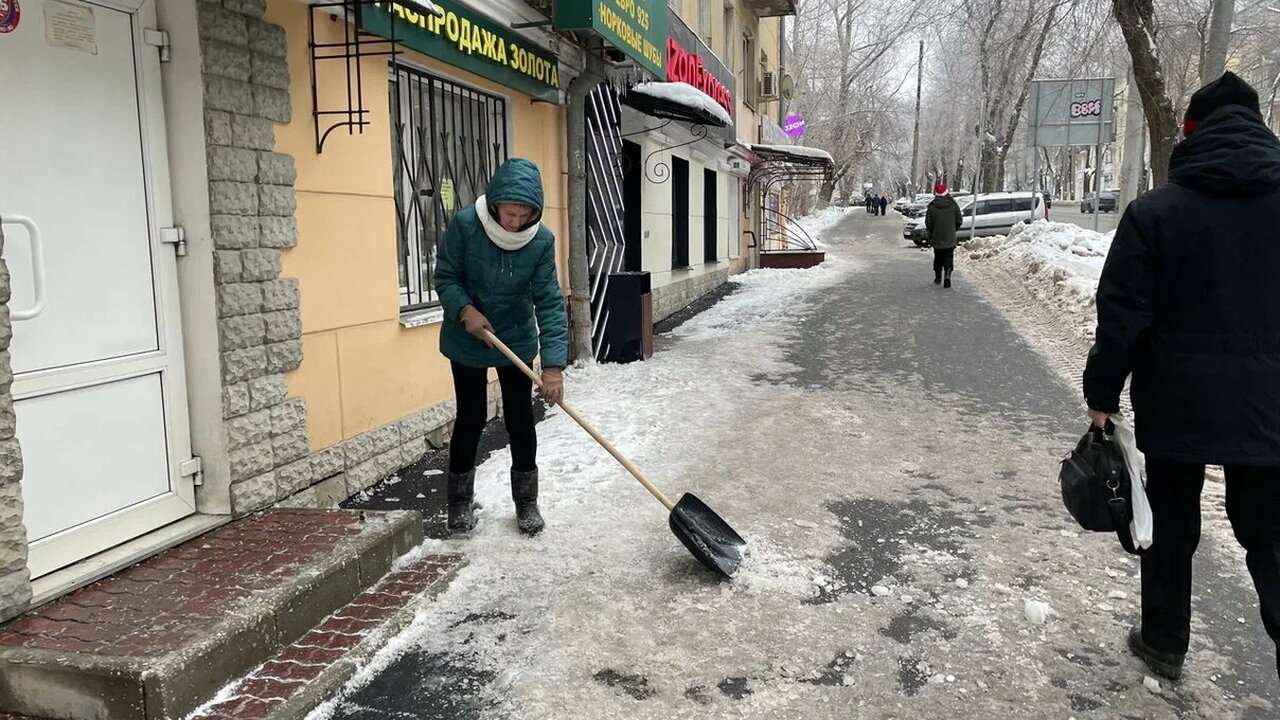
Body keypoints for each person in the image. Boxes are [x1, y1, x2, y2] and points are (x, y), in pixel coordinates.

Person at [1083, 72, 1280, 682]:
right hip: (1271, 405)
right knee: (1272, 536)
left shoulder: (1155, 213)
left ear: (1190, 133)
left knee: (1169, 524)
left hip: (1177, 400)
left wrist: (1101, 395)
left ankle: (1165, 640)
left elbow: (1123, 317)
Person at [435, 158, 569, 537]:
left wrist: (553, 367)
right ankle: (459, 502)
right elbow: (446, 275)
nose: (515, 222)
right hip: (468, 337)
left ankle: (526, 502)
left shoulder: (540, 240)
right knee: (472, 417)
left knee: (520, 419)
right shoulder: (466, 225)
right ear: (495, 204)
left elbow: (548, 301)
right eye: (510, 213)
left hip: (515, 337)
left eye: (524, 215)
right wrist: (464, 310)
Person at [924, 183, 963, 287]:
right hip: (950, 237)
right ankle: (947, 275)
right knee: (948, 257)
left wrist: (933, 232)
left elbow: (928, 223)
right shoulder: (953, 204)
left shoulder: (932, 206)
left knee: (938, 257)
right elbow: (959, 220)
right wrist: (953, 229)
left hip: (937, 237)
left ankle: (938, 277)